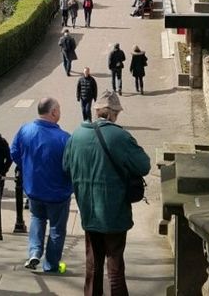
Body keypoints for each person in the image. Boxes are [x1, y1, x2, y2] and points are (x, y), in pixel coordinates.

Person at [63, 90, 151, 296]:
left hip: (88, 209)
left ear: (96, 111)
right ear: (111, 114)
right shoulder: (120, 136)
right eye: (117, 113)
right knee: (115, 267)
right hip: (114, 211)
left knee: (92, 265)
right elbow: (144, 165)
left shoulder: (76, 135)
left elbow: (66, 167)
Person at [10, 97, 73, 274]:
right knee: (56, 229)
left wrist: (28, 168)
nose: (60, 112)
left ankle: (34, 252)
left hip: (33, 188)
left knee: (37, 218)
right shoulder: (64, 138)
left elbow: (14, 153)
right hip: (58, 192)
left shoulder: (25, 130)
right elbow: (70, 166)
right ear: (53, 112)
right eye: (59, 109)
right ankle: (51, 265)